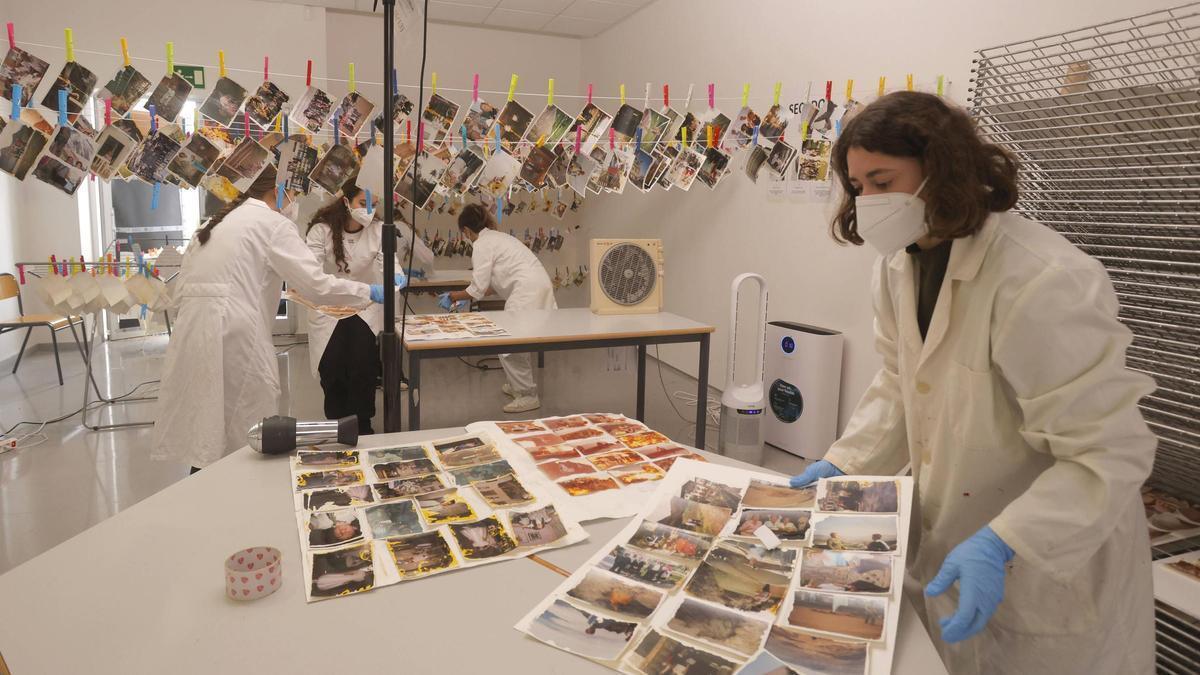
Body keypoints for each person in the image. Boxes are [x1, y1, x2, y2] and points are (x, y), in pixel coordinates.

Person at [788, 92, 1156, 674]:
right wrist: (847, 462)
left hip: (1049, 563)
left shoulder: (1039, 279)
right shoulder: (899, 263)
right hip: (953, 534)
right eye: (858, 188)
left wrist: (1005, 539)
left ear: (942, 169)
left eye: (882, 181)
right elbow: (901, 382)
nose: (868, 204)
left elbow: (1109, 452)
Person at [152, 164, 402, 471]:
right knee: (243, 426)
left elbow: (183, 287)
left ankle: (206, 490)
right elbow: (316, 285)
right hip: (235, 333)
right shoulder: (272, 224)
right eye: (294, 192)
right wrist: (368, 292)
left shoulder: (218, 222)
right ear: (278, 191)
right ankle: (234, 494)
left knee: (206, 424)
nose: (294, 200)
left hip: (194, 330)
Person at [305, 178, 434, 434]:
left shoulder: (377, 230)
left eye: (373, 205)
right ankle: (338, 425)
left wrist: (396, 278)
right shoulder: (321, 230)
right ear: (346, 201)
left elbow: (390, 262)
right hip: (328, 309)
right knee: (331, 367)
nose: (369, 211)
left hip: (364, 308)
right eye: (363, 204)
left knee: (362, 367)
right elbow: (311, 273)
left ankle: (363, 425)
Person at [440, 203, 557, 413]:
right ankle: (517, 386)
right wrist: (465, 296)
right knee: (517, 342)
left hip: (526, 292)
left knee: (509, 345)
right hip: (535, 286)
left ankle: (528, 395)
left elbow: (477, 288)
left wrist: (453, 296)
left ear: (466, 231)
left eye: (464, 234)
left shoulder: (482, 245)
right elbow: (491, 286)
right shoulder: (498, 238)